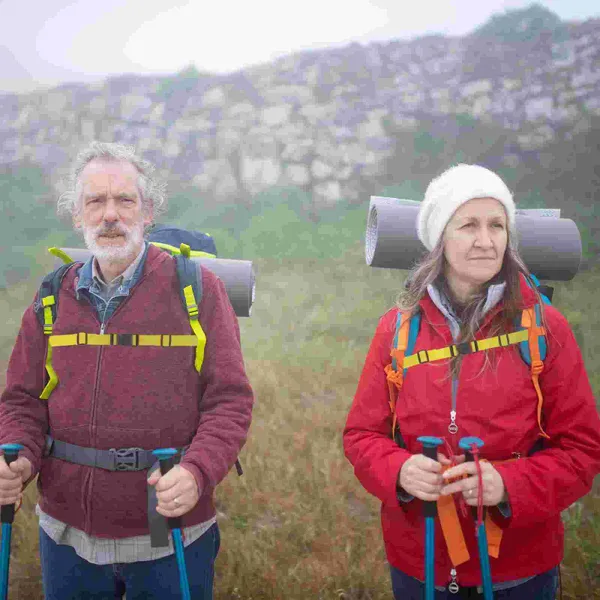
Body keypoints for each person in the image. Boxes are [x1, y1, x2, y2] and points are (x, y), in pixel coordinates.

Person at [0, 142, 254, 599]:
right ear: (77, 216)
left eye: (124, 200)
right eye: (95, 201)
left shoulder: (199, 289)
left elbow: (229, 400)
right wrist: (16, 459)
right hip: (66, 535)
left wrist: (196, 472)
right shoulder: (51, 297)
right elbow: (22, 400)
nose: (110, 215)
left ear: (147, 210)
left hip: (168, 526)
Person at [343, 164, 600, 599]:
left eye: (497, 225)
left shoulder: (545, 328)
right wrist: (401, 471)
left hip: (519, 570)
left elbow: (582, 450)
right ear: (439, 239)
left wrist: (508, 485)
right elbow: (361, 436)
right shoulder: (397, 329)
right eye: (468, 225)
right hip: (419, 563)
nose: (486, 240)